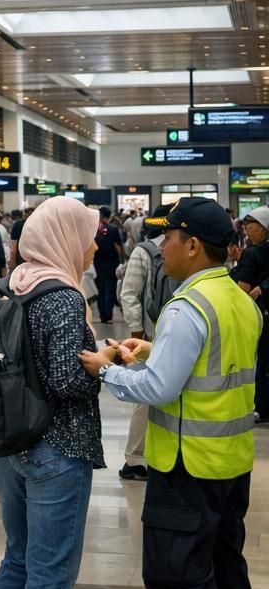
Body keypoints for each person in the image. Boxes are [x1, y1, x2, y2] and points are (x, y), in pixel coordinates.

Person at [80, 197, 260, 589]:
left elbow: (159, 389)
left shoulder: (187, 307)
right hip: (230, 465)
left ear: (194, 245)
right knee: (225, 571)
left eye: (170, 238)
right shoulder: (239, 300)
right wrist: (149, 352)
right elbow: (207, 368)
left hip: (187, 469)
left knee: (177, 581)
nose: (163, 248)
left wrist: (105, 370)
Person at [0, 194, 104, 589]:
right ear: (65, 238)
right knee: (51, 575)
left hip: (9, 444)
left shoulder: (14, 284)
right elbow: (68, 382)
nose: (92, 248)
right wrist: (104, 364)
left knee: (17, 557)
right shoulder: (65, 297)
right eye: (88, 238)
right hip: (57, 448)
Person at [117, 205, 177, 482]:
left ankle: (141, 457)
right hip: (153, 335)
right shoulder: (153, 251)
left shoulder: (144, 251)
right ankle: (135, 458)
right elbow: (130, 295)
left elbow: (129, 294)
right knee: (143, 397)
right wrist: (137, 332)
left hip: (154, 333)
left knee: (146, 396)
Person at [228, 206, 269, 423]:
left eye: (252, 224)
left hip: (256, 315)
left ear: (263, 228)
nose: (247, 228)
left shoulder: (252, 253)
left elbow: (242, 288)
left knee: (259, 363)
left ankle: (261, 407)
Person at [92, 206, 125, 324]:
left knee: (101, 289)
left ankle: (103, 316)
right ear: (109, 216)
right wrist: (121, 261)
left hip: (98, 263)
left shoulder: (95, 229)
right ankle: (109, 315)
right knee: (111, 289)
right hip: (112, 263)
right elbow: (119, 247)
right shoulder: (114, 229)